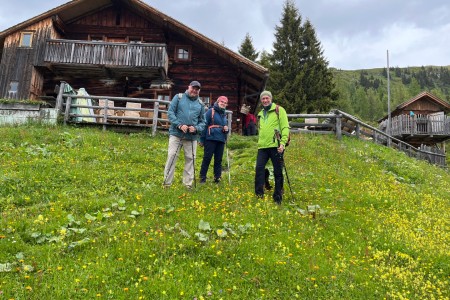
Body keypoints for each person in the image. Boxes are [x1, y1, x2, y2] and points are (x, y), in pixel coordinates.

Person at [163, 81, 206, 189]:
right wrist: (179, 125)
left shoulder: (200, 104)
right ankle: (166, 183)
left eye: (197, 89)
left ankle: (188, 185)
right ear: (189, 87)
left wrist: (196, 128)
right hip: (176, 134)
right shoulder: (178, 97)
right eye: (193, 88)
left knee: (190, 159)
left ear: (199, 91)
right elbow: (170, 112)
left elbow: (203, 122)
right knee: (172, 156)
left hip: (191, 137)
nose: (194, 90)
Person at [254, 90, 289, 204]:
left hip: (276, 146)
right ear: (261, 100)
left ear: (271, 99)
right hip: (262, 147)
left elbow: (285, 127)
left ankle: (278, 196)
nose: (265, 100)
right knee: (259, 169)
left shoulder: (279, 110)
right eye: (263, 99)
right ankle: (259, 195)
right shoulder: (260, 114)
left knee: (278, 171)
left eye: (267, 98)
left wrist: (283, 143)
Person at [199, 96, 229, 183]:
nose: (223, 103)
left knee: (218, 160)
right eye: (222, 102)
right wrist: (201, 139)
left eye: (225, 102)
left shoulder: (224, 114)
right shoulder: (210, 111)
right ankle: (202, 178)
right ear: (217, 102)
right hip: (210, 138)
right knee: (207, 158)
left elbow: (225, 128)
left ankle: (217, 178)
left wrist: (226, 130)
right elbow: (204, 125)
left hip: (221, 139)